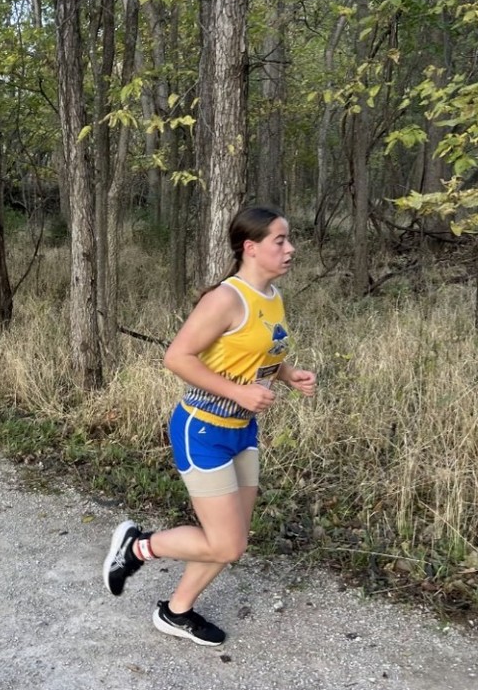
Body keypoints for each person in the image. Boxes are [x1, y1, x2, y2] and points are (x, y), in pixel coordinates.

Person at [103, 205, 316, 646]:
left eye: (288, 239)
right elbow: (176, 358)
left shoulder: (272, 297)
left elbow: (258, 353)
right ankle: (138, 547)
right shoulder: (224, 298)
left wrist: (288, 373)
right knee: (229, 545)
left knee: (230, 537)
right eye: (280, 240)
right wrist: (238, 393)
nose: (290, 248)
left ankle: (175, 612)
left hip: (243, 431)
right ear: (251, 247)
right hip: (202, 429)